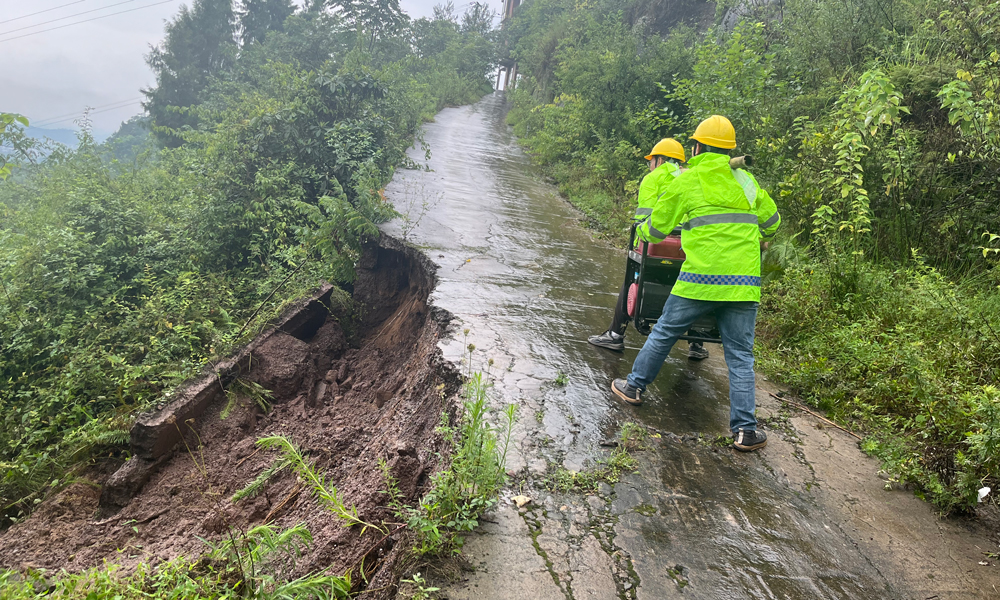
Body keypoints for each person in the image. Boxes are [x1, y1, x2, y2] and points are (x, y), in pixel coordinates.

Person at [611, 115, 781, 452]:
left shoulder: (687, 181)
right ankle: (746, 431)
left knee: (664, 332)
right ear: (730, 149)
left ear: (697, 147)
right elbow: (773, 221)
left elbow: (656, 229)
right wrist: (758, 237)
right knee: (740, 356)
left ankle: (633, 388)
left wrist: (642, 231)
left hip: (700, 279)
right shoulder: (746, 182)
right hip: (743, 284)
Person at [588, 138, 709, 359]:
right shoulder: (695, 177)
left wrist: (637, 245)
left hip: (659, 246)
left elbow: (645, 219)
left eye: (651, 161)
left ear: (660, 159)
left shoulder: (653, 179)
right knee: (692, 285)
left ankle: (616, 334)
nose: (650, 165)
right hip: (691, 246)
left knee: (631, 279)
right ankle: (696, 343)